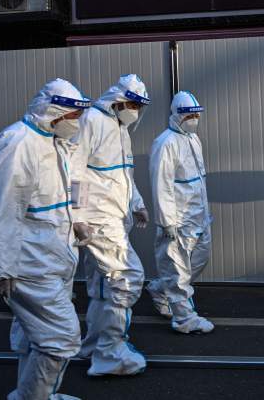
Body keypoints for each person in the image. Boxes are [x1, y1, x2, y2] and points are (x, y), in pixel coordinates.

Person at [0, 78, 92, 400]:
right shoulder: (18, 143)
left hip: (53, 257)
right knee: (61, 338)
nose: (78, 124)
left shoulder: (55, 143)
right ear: (54, 114)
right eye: (74, 117)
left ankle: (39, 395)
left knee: (37, 337)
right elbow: (0, 208)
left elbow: (73, 185)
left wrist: (79, 219)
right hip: (30, 262)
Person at [73, 74, 151, 377]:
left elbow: (123, 174)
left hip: (115, 217)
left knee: (102, 285)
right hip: (98, 220)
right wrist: (77, 216)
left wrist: (137, 203)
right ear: (117, 99)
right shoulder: (91, 120)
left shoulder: (120, 128)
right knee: (126, 277)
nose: (134, 109)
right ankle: (110, 352)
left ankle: (93, 346)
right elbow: (75, 171)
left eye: (138, 105)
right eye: (131, 102)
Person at [145, 91, 215, 334]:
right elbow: (160, 184)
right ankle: (184, 318)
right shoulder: (165, 143)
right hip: (178, 218)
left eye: (196, 114)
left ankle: (160, 289)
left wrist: (205, 214)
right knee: (177, 269)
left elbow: (198, 181)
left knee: (200, 258)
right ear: (177, 116)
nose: (194, 118)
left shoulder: (194, 140)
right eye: (189, 115)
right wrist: (167, 222)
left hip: (198, 216)